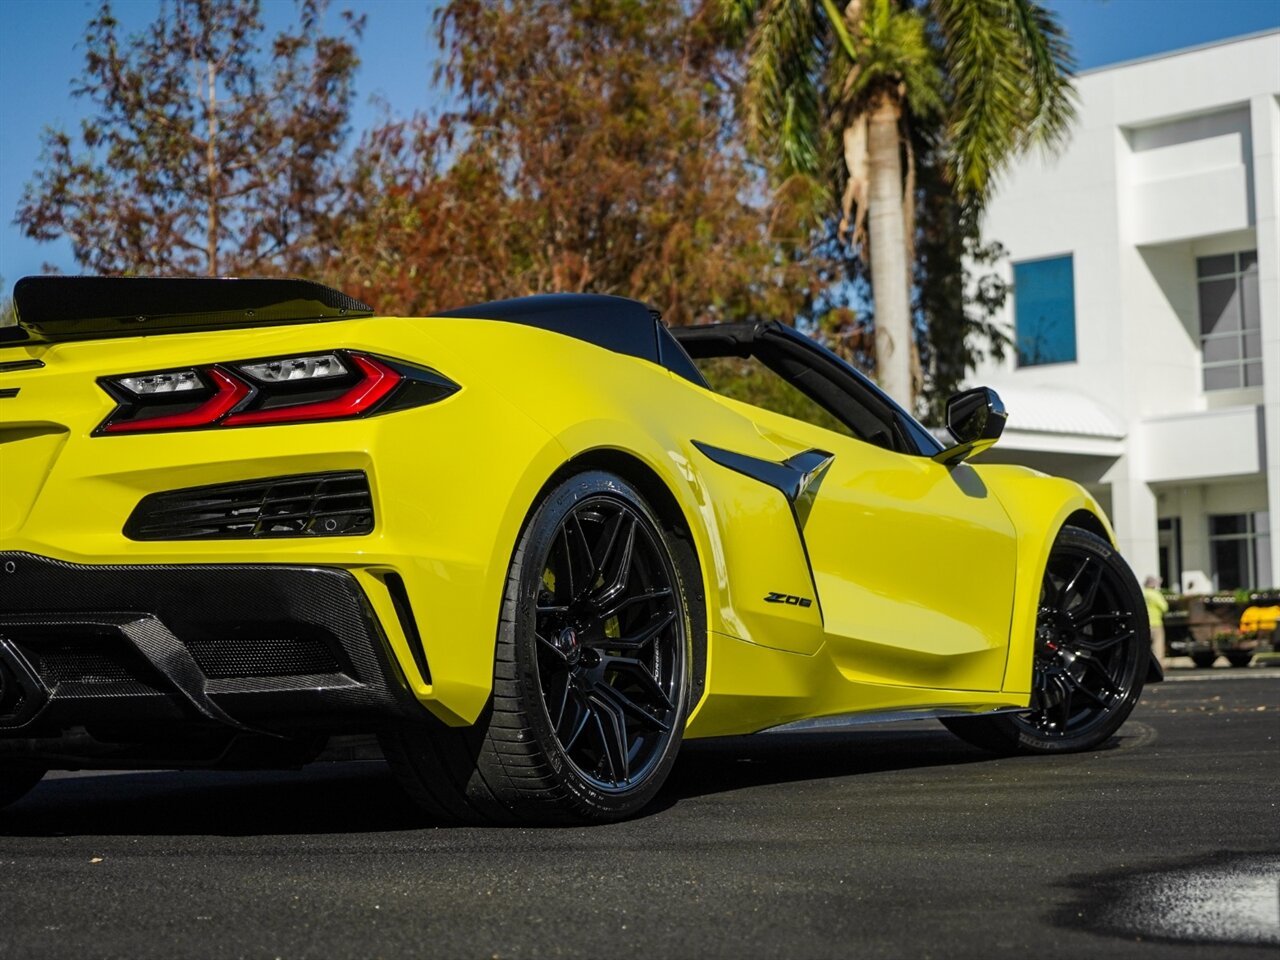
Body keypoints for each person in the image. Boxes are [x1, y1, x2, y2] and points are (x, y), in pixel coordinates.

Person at [1143, 575, 1170, 668]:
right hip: (1156, 623)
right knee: (1157, 646)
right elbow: (1164, 607)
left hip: (1144, 624)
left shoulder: (1142, 593)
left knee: (1145, 646)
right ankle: (1158, 666)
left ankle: (1144, 666)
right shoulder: (1155, 594)